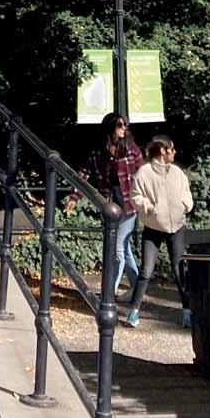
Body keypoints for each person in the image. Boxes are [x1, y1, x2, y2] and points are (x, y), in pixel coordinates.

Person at [126, 132, 195, 331]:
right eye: (172, 149)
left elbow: (186, 192)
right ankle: (134, 311)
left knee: (180, 269)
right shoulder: (145, 172)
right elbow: (135, 195)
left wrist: (186, 205)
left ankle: (187, 312)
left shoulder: (177, 172)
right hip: (153, 227)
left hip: (177, 226)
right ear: (163, 151)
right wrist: (149, 208)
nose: (174, 152)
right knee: (146, 270)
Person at [76, 112, 143, 297]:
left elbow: (143, 173)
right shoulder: (99, 151)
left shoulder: (131, 148)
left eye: (125, 125)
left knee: (117, 249)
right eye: (120, 125)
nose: (124, 128)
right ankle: (137, 288)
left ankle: (109, 292)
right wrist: (74, 196)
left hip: (129, 205)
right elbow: (84, 173)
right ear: (110, 128)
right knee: (125, 248)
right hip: (109, 204)